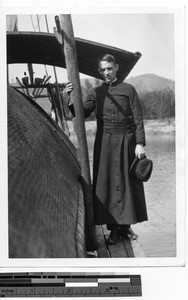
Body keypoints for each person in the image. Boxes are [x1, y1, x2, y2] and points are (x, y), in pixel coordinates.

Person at [65, 54, 148, 245]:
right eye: (102, 70)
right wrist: (68, 97)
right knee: (107, 184)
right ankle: (114, 231)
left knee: (127, 182)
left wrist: (140, 143)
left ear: (116, 67)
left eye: (109, 68)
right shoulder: (96, 92)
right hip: (105, 143)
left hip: (127, 141)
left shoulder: (129, 89)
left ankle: (125, 227)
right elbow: (81, 113)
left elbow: (138, 118)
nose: (106, 73)